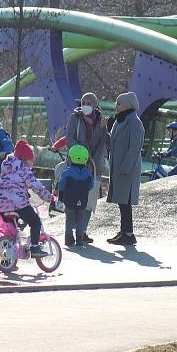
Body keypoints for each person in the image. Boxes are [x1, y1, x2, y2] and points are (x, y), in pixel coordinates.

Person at [0, 140, 56, 258]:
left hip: (3, 206)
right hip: (19, 205)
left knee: (12, 235)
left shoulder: (6, 166)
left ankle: (8, 260)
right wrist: (49, 197)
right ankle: (34, 248)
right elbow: (35, 186)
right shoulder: (23, 169)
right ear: (24, 159)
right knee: (35, 222)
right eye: (31, 161)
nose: (32, 164)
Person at [64, 92, 108, 242]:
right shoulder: (75, 118)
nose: (86, 105)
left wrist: (103, 128)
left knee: (89, 201)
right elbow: (70, 138)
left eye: (89, 103)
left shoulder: (101, 120)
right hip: (77, 164)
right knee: (73, 198)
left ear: (95, 105)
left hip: (95, 165)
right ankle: (71, 232)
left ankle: (82, 231)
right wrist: (81, 155)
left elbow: (104, 142)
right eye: (84, 102)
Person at [106, 92, 144, 246]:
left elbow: (134, 148)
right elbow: (114, 143)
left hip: (126, 169)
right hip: (119, 167)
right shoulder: (120, 121)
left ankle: (128, 233)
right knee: (122, 201)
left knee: (125, 201)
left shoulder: (134, 122)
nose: (116, 106)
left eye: (119, 103)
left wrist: (125, 167)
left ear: (129, 104)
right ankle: (124, 231)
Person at [57, 145, 94, 247]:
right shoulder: (88, 173)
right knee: (80, 219)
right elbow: (90, 186)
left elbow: (61, 186)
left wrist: (60, 198)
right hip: (82, 200)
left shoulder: (67, 172)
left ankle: (69, 239)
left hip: (69, 200)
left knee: (69, 219)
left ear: (70, 158)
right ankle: (80, 239)